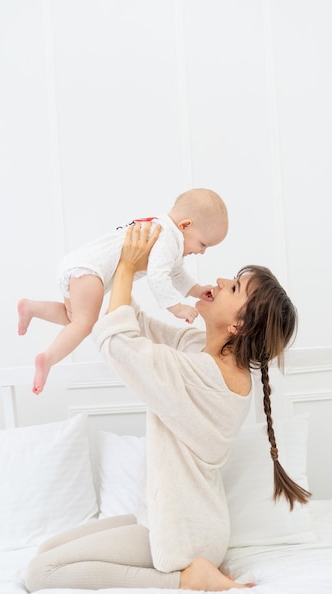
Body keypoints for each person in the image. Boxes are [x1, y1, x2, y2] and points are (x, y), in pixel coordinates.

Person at [25, 221, 311, 592]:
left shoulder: (207, 376)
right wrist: (123, 263)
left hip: (182, 532)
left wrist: (127, 268)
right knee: (47, 548)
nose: (221, 281)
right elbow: (137, 324)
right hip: (178, 518)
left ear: (239, 325)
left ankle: (187, 579)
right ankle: (192, 571)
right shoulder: (200, 351)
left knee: (41, 572)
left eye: (235, 287)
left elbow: (119, 342)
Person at [18, 188, 228, 394]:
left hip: (77, 263)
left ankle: (31, 308)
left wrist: (197, 290)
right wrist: (177, 307)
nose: (201, 252)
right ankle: (48, 359)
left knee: (72, 317)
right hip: (90, 271)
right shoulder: (167, 238)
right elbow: (158, 276)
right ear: (185, 225)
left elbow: (176, 273)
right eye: (203, 244)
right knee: (84, 324)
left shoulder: (162, 229)